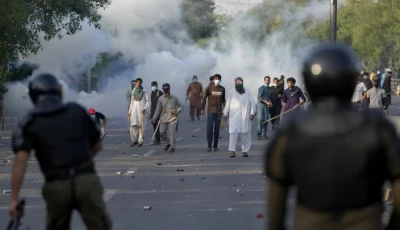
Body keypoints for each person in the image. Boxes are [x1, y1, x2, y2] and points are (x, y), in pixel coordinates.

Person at [265, 42, 400, 230]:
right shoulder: (378, 127)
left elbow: (276, 200)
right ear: (351, 80)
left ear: (309, 81)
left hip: (310, 222)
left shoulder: (292, 130)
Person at [9, 73, 111, 229]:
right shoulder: (76, 111)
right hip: (86, 180)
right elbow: (97, 145)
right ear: (59, 92)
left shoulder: (29, 121)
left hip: (57, 186)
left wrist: (14, 200)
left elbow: (20, 161)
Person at [223, 77, 256, 158]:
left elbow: (253, 103)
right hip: (234, 116)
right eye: (235, 83)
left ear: (242, 83)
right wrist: (225, 113)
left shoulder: (247, 91)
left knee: (245, 133)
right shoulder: (232, 91)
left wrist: (252, 113)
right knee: (233, 133)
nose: (236, 84)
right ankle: (232, 151)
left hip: (245, 116)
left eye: (238, 83)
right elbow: (228, 103)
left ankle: (245, 150)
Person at [152, 83, 183, 152]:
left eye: (167, 89)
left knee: (171, 133)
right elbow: (158, 109)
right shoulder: (161, 98)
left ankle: (172, 147)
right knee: (162, 133)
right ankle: (167, 143)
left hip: (173, 118)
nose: (166, 90)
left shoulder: (174, 98)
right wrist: (154, 118)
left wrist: (177, 111)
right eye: (164, 89)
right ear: (163, 89)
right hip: (163, 118)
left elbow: (180, 106)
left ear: (169, 89)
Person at [201, 74, 226, 152]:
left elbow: (223, 100)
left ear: (220, 80)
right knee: (209, 128)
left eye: (219, 79)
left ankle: (215, 146)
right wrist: (202, 108)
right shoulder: (209, 88)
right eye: (216, 78)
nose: (217, 80)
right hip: (210, 111)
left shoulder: (222, 89)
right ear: (213, 80)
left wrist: (226, 110)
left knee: (217, 129)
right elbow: (204, 98)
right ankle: (209, 145)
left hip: (219, 112)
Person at [128, 78, 149, 147]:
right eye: (137, 83)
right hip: (134, 111)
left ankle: (140, 142)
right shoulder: (133, 91)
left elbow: (148, 101)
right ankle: (134, 141)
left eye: (140, 83)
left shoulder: (144, 91)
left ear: (141, 83)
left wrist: (145, 108)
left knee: (141, 126)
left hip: (141, 111)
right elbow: (132, 102)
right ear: (136, 83)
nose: (138, 84)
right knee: (133, 126)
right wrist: (129, 111)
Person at [148, 81, 163, 145]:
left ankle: (161, 139)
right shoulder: (152, 93)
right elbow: (152, 104)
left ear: (157, 86)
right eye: (152, 86)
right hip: (154, 112)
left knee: (160, 126)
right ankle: (157, 139)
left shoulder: (159, 92)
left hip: (159, 111)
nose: (153, 87)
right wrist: (151, 114)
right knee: (154, 125)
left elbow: (163, 102)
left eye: (154, 85)